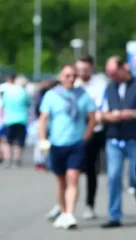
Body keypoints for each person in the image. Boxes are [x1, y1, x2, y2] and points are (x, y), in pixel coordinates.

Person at [100, 56, 136, 228]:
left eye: (114, 73)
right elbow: (101, 111)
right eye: (110, 75)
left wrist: (131, 114)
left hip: (135, 139)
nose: (113, 78)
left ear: (123, 69)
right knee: (113, 177)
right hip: (114, 139)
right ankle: (114, 216)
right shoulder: (110, 87)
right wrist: (107, 116)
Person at [39, 65, 96, 229]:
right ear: (61, 77)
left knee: (73, 177)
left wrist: (86, 136)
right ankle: (63, 212)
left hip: (76, 143)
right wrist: (43, 140)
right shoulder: (51, 95)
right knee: (61, 181)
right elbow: (43, 118)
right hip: (57, 143)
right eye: (67, 76)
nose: (71, 78)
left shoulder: (82, 95)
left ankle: (70, 213)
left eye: (73, 76)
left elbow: (92, 117)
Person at [74, 54, 108, 219]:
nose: (82, 73)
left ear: (91, 68)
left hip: (95, 132)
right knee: (68, 170)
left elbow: (101, 108)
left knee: (90, 170)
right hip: (74, 133)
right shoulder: (72, 84)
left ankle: (89, 204)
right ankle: (63, 205)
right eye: (79, 69)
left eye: (85, 69)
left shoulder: (100, 85)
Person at [1, 73, 31, 168]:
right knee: (19, 141)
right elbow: (29, 103)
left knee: (8, 140)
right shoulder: (24, 92)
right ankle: (16, 160)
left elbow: (3, 104)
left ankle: (7, 159)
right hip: (21, 119)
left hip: (9, 119)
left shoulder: (8, 92)